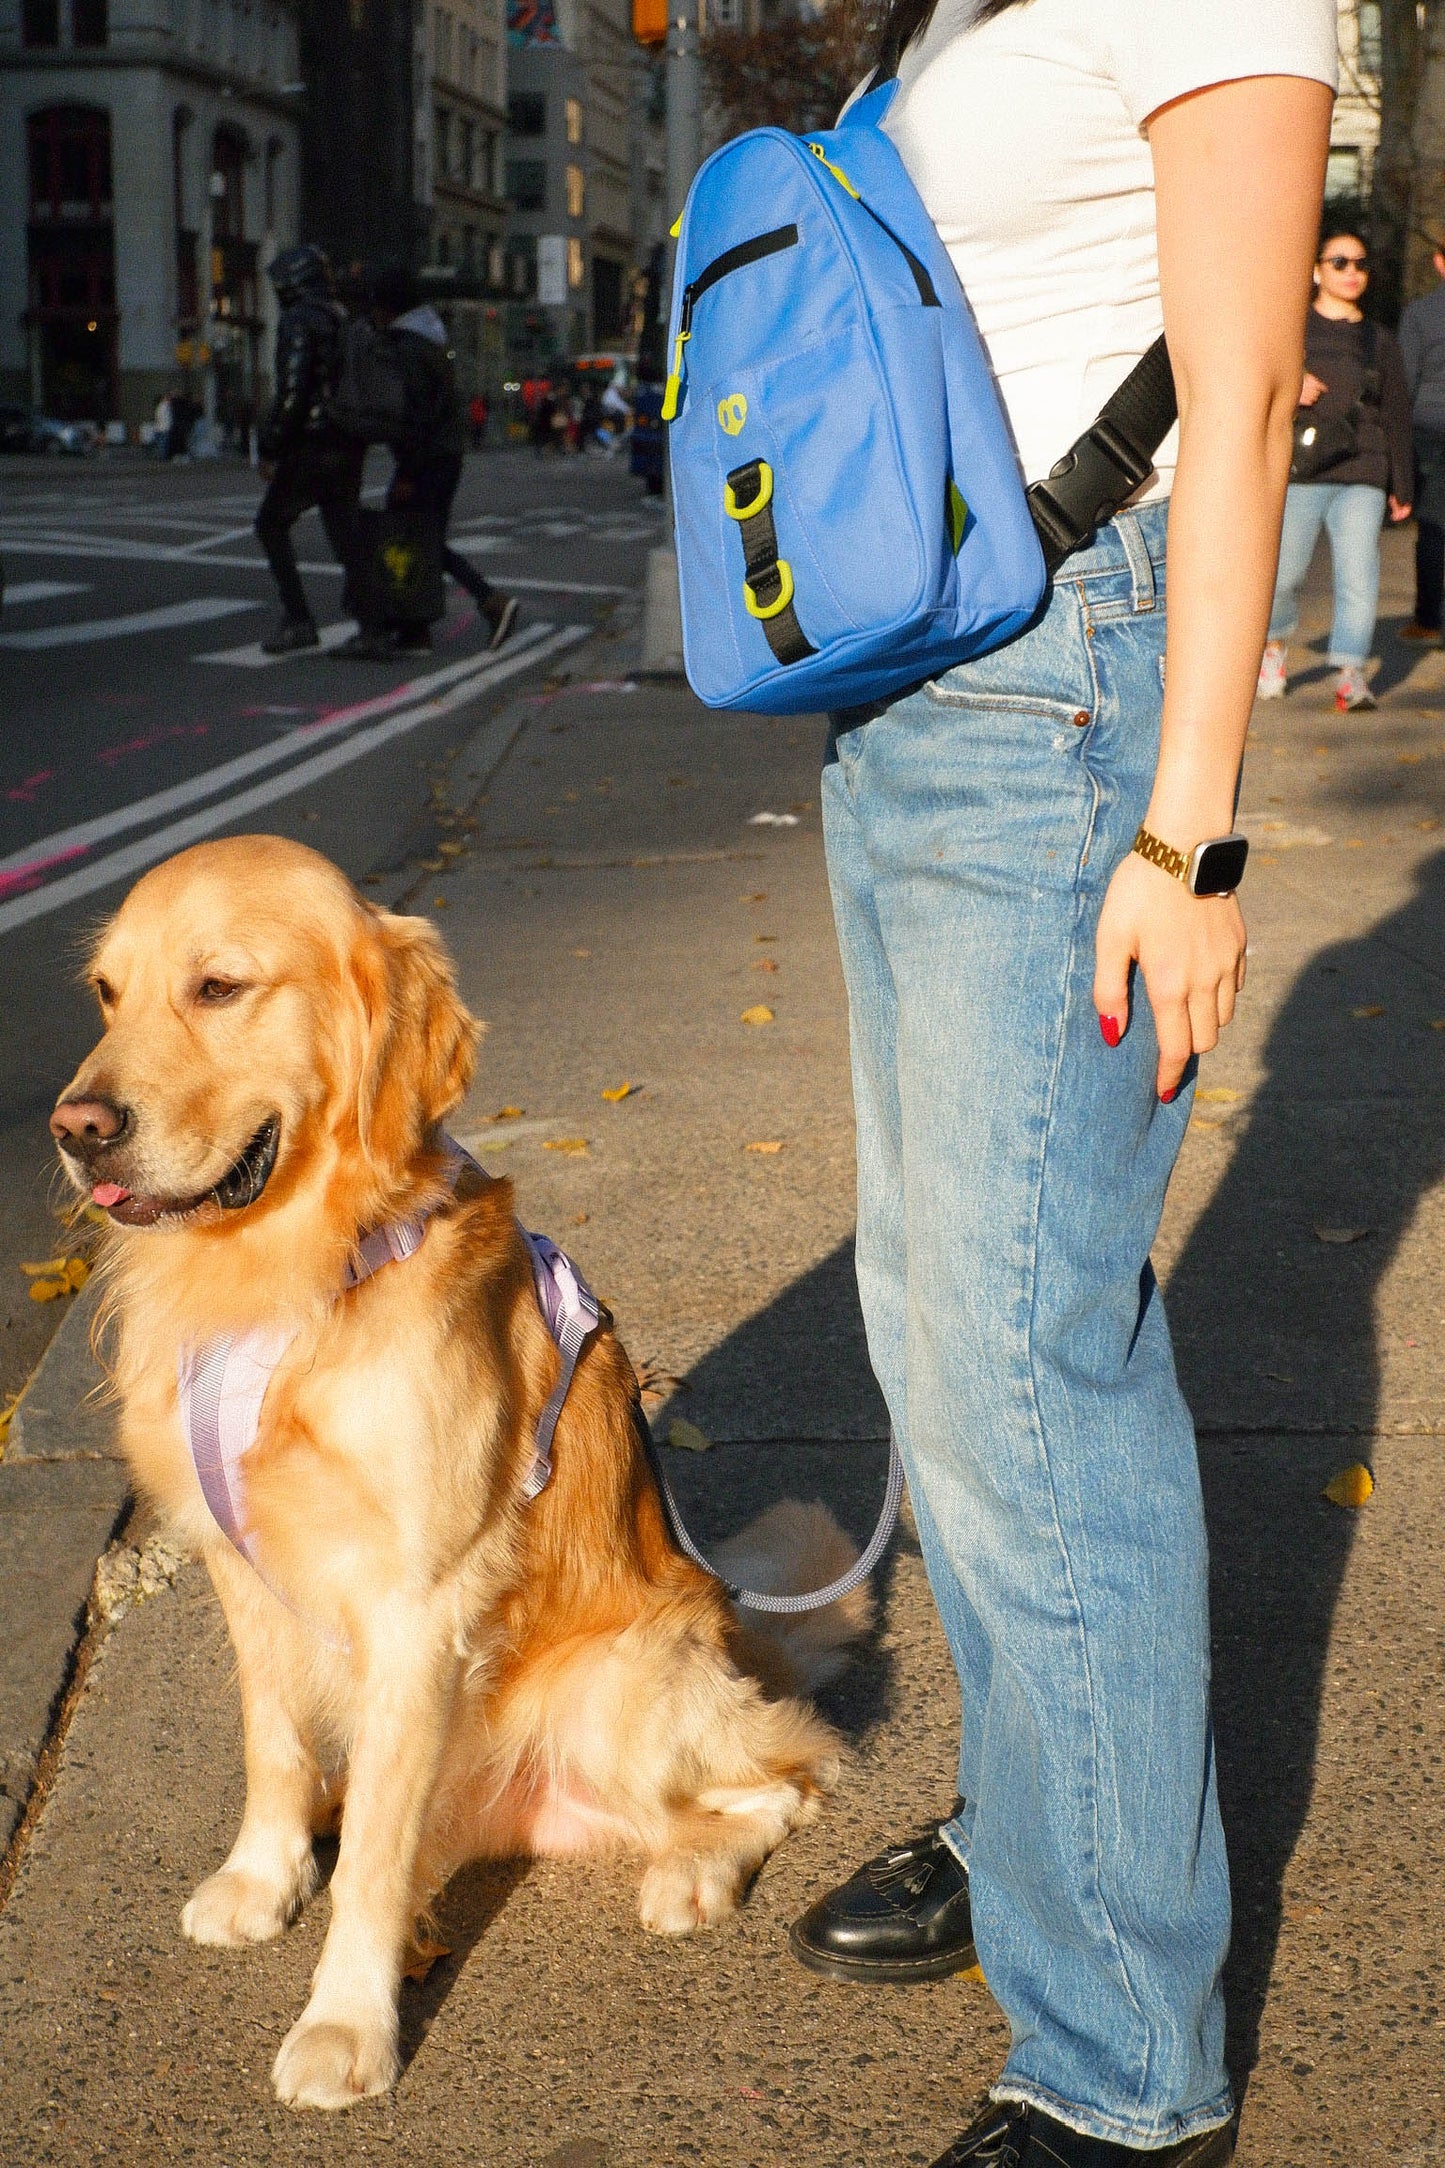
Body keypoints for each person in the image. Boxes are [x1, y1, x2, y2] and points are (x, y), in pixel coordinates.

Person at [788, 5, 1338, 2164]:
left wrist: (1187, 835)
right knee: (941, 1348)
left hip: (1066, 686)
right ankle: (1045, 1832)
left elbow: (1248, 390)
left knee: (1028, 1364)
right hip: (918, 678)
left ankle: (1120, 2062)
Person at [1257, 230, 1413, 711]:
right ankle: (1274, 647)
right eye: (1340, 261)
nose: (1352, 272)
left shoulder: (1378, 339)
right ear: (1316, 270)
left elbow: (1396, 414)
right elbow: (1253, 378)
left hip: (1364, 469)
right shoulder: (1291, 330)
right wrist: (1290, 381)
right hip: (1304, 468)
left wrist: (1402, 483)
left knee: (1358, 574)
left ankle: (1350, 673)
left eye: (1360, 263)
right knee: (1283, 575)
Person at [338, 264, 517, 661]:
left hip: (427, 458)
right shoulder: (427, 338)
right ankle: (415, 628)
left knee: (416, 537)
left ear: (386, 307)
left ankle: (489, 600)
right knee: (419, 535)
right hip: (442, 454)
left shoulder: (407, 347)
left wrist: (409, 470)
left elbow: (417, 413)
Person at [254, 244, 362, 656]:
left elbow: (294, 390)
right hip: (345, 439)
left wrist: (271, 445)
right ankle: (372, 623)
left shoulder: (299, 320)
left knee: (270, 524)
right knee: (345, 533)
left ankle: (298, 618)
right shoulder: (341, 319)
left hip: (312, 443)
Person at [1398, 239, 1445, 642]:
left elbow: (1406, 379)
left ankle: (1428, 619)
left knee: (1433, 527)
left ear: (1438, 263)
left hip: (1430, 429)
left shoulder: (1420, 313)